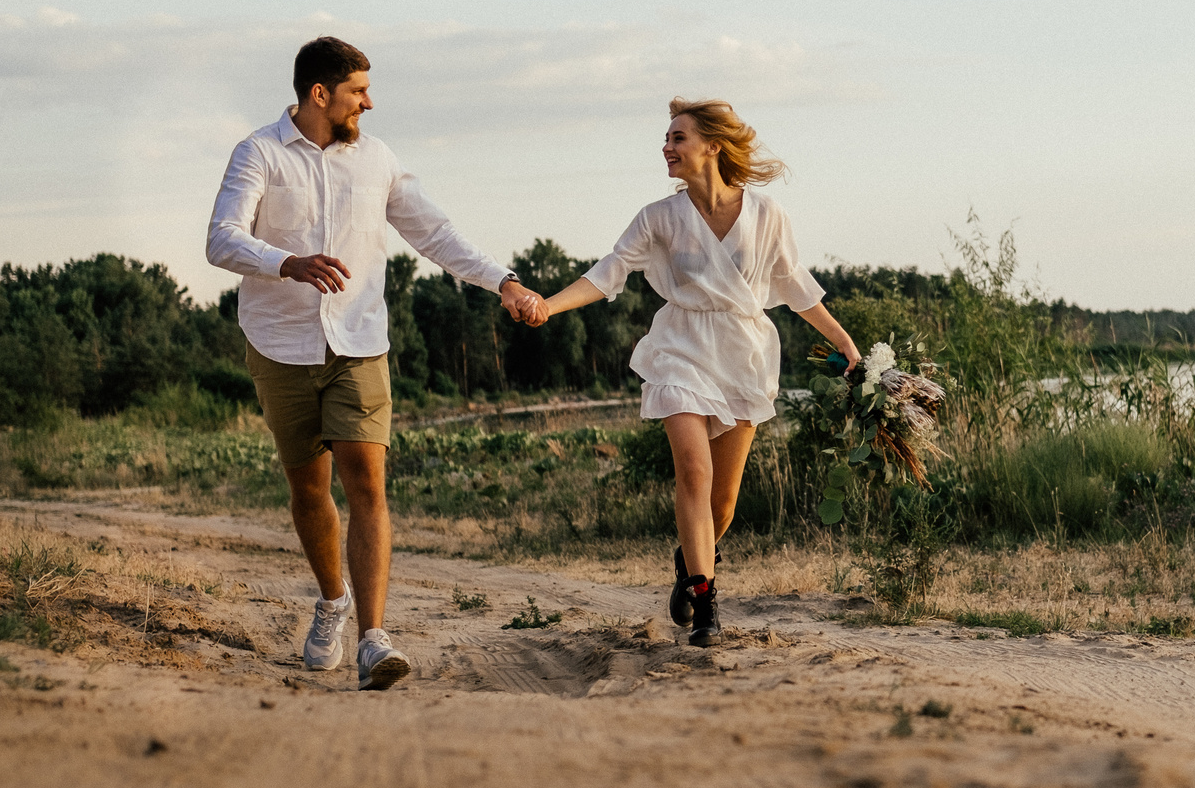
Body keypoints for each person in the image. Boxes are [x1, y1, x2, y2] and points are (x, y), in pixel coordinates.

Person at [206, 36, 547, 689]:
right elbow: (222, 238)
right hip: (280, 344)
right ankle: (332, 600)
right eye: (359, 90)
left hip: (360, 342)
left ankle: (372, 638)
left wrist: (502, 281)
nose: (369, 102)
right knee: (309, 489)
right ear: (320, 94)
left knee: (366, 483)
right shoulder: (259, 153)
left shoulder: (378, 159)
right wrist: (287, 263)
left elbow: (435, 232)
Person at [534, 99, 859, 647]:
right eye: (666, 138)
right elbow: (609, 272)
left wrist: (845, 342)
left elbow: (795, 285)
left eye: (677, 137)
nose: (666, 147)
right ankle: (706, 603)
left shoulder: (767, 215)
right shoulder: (658, 217)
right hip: (680, 347)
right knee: (693, 471)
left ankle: (690, 563)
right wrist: (548, 305)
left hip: (743, 355)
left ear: (713, 146)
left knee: (723, 504)